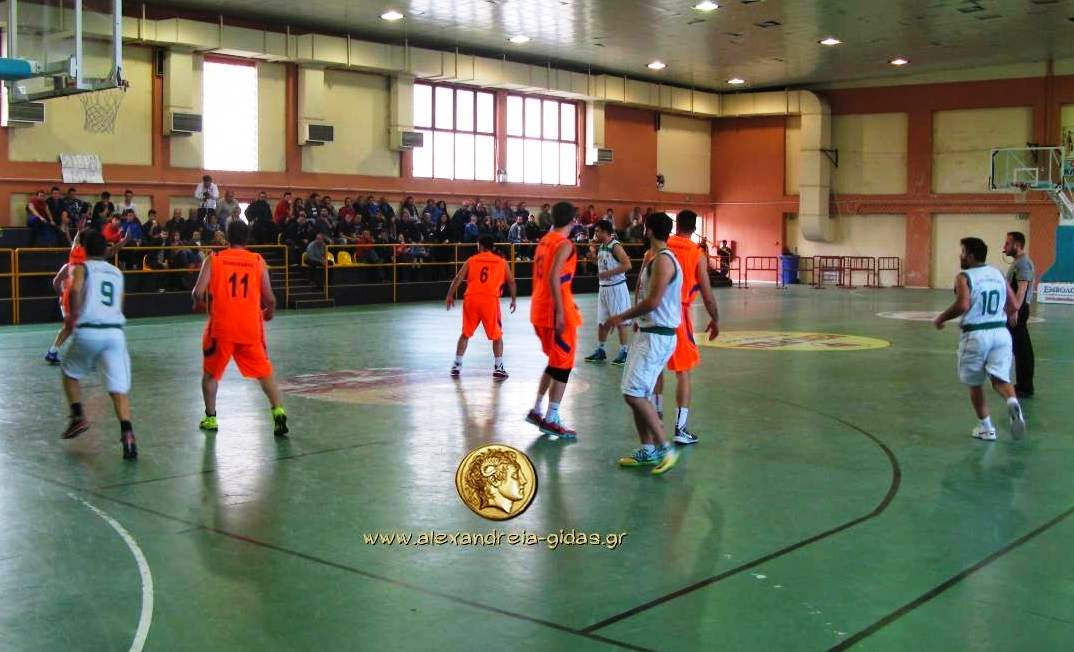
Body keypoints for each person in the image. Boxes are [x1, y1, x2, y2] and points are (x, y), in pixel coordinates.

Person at [192, 221, 289, 437]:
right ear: (247, 239)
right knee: (264, 373)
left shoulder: (214, 259)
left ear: (227, 237)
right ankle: (279, 412)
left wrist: (198, 303)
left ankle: (211, 418)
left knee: (210, 375)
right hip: (250, 327)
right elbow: (270, 298)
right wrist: (270, 311)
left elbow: (197, 292)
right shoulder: (257, 260)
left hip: (222, 328)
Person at [604, 212, 683, 475]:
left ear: (648, 231)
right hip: (648, 333)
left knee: (634, 394)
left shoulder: (664, 260)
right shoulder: (655, 258)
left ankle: (665, 448)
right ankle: (648, 450)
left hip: (657, 337)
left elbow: (653, 301)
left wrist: (621, 317)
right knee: (635, 392)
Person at [933, 237, 1026, 441]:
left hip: (976, 335)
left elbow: (963, 304)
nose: (960, 256)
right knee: (1000, 379)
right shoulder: (998, 273)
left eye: (963, 252)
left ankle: (986, 428)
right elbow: (1014, 305)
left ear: (971, 256)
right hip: (1001, 333)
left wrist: (941, 318)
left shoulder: (964, 277)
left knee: (975, 383)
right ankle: (1012, 402)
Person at [57, 229, 138, 459]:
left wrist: (72, 316)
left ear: (84, 248)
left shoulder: (82, 268)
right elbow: (120, 303)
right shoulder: (117, 272)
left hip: (89, 331)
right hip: (115, 334)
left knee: (69, 372)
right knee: (118, 389)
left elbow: (74, 290)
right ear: (105, 249)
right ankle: (128, 435)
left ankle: (78, 416)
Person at [651, 210, 720, 445]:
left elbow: (644, 281)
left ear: (676, 225)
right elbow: (707, 294)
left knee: (656, 368)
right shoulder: (697, 254)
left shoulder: (660, 246)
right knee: (684, 372)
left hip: (655, 311)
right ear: (694, 228)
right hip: (678, 314)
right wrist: (715, 318)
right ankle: (680, 429)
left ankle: (656, 418)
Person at [526, 201, 582, 439]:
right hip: (554, 311)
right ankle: (551, 418)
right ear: (573, 221)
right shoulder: (565, 244)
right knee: (563, 365)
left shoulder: (544, 241)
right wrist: (560, 311)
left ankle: (537, 410)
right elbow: (553, 278)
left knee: (555, 361)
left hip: (539, 308)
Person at [445, 235, 517, 379]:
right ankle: (499, 368)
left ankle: (456, 366)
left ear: (481, 246)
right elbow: (511, 281)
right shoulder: (501, 262)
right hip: (490, 300)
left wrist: (450, 295)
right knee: (497, 336)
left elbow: (458, 277)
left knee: (465, 333)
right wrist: (513, 299)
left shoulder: (472, 260)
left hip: (471, 299)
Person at [585, 219, 633, 365]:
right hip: (604, 289)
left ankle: (624, 352)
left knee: (620, 322)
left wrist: (608, 273)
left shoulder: (615, 246)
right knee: (602, 321)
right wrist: (592, 256)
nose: (595, 233)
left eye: (598, 231)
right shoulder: (602, 246)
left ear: (605, 232)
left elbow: (627, 265)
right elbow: (601, 263)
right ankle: (600, 350)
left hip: (616, 288)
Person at [1004, 231, 1035, 398]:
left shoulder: (1023, 263)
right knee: (1020, 348)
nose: (1004, 247)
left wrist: (1015, 311)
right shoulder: (1018, 263)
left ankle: (1025, 387)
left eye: (1007, 243)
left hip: (1019, 309)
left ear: (1017, 245)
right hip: (1017, 308)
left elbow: (1022, 289)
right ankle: (1023, 384)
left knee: (1022, 349)